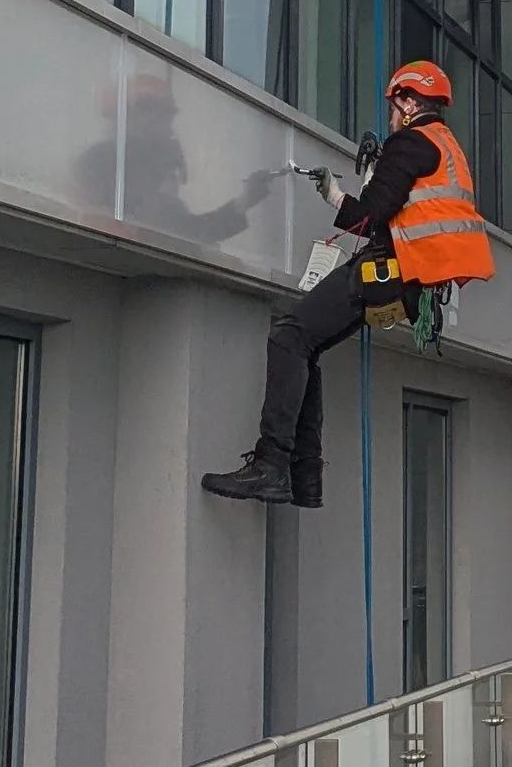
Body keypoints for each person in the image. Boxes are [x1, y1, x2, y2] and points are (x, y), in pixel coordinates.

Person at [201, 62, 492, 506]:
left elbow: (369, 215)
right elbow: (400, 211)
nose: (391, 116)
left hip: (394, 269)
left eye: (394, 106)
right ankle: (304, 476)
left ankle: (270, 464)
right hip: (417, 281)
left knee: (289, 335)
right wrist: (355, 187)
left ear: (410, 102)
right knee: (307, 345)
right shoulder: (445, 146)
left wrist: (337, 194)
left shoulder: (412, 142)